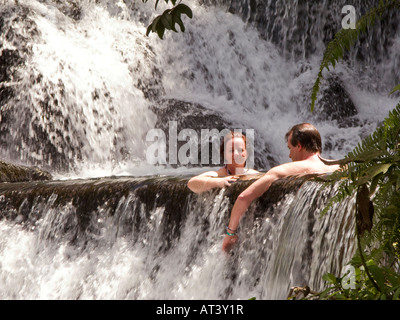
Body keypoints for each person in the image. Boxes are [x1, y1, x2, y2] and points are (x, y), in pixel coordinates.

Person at [222, 123, 340, 252]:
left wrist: (230, 233)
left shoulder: (284, 170)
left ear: (299, 146)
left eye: (290, 148)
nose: (289, 155)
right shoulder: (340, 167)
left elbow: (244, 197)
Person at [187, 131, 259, 194]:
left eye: (241, 150)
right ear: (224, 154)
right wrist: (219, 182)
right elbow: (191, 183)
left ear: (247, 154)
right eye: (231, 150)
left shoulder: (253, 174)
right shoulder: (219, 174)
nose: (236, 154)